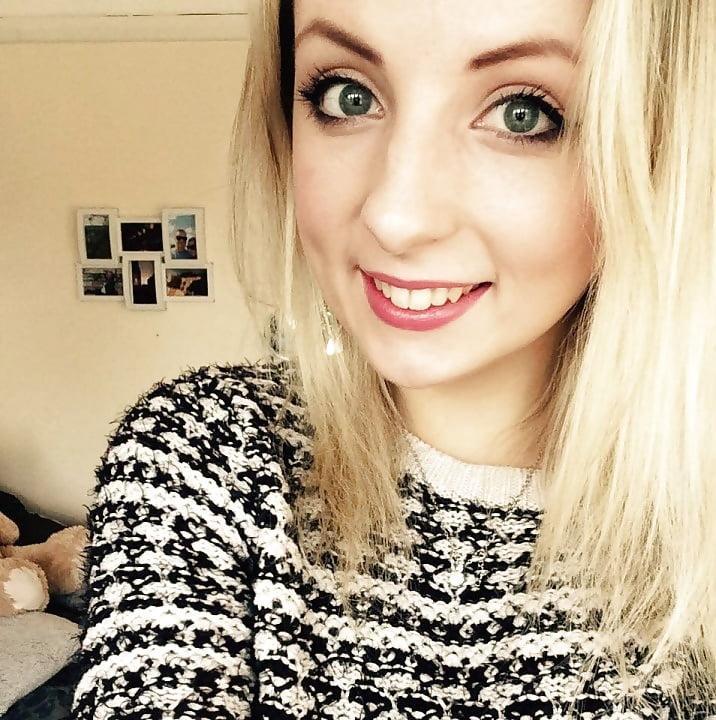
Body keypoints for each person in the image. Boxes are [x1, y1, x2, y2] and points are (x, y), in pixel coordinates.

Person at [70, 0, 716, 718]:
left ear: (660, 150)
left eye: (523, 114)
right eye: (348, 95)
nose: (395, 216)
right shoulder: (207, 452)